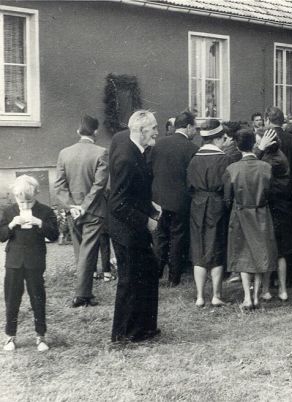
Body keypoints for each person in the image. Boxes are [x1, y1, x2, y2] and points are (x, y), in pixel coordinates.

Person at [109, 110, 161, 343]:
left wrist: (148, 203)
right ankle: (124, 334)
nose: (157, 132)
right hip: (126, 229)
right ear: (141, 131)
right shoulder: (126, 160)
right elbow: (117, 204)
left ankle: (145, 328)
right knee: (130, 280)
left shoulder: (122, 138)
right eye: (154, 128)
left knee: (148, 272)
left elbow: (130, 191)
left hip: (134, 219)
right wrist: (147, 221)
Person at [54, 114, 109, 307]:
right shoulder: (101, 152)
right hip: (92, 211)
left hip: (73, 211)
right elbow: (99, 185)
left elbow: (59, 186)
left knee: (80, 251)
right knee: (88, 251)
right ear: (96, 132)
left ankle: (83, 293)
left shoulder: (64, 153)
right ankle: (82, 294)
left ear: (78, 131)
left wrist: (72, 206)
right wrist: (84, 207)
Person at [0, 175, 59, 351]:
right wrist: (10, 225)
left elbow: (54, 235)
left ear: (35, 194)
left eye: (29, 200)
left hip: (35, 261)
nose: (24, 204)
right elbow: (1, 236)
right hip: (14, 261)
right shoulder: (9, 211)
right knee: (11, 299)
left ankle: (41, 337)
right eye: (20, 200)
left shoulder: (46, 211)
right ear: (15, 196)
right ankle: (10, 336)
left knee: (38, 298)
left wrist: (39, 223)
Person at [223, 129, 278, 309]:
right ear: (253, 143)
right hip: (261, 213)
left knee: (243, 254)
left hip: (240, 214)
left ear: (238, 147)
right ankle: (256, 296)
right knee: (260, 254)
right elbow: (270, 191)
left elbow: (227, 197)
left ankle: (247, 297)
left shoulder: (232, 169)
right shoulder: (266, 167)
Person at [187, 119, 232, 307]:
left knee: (198, 247)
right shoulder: (224, 160)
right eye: (223, 138)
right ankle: (216, 295)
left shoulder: (194, 159)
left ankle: (199, 296)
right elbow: (228, 189)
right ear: (217, 139)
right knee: (217, 247)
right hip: (217, 204)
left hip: (197, 204)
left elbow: (188, 186)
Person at [151, 110, 199, 286]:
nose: (196, 132)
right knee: (178, 238)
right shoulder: (193, 149)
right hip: (181, 201)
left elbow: (151, 169)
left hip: (158, 200)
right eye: (195, 128)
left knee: (160, 237)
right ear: (187, 127)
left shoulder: (158, 144)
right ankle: (174, 278)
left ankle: (155, 274)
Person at [257, 132, 292, 301]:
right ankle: (282, 289)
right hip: (283, 208)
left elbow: (256, 170)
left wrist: (259, 149)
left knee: (271, 250)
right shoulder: (280, 156)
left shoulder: (269, 160)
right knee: (280, 252)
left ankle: (267, 289)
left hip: (273, 208)